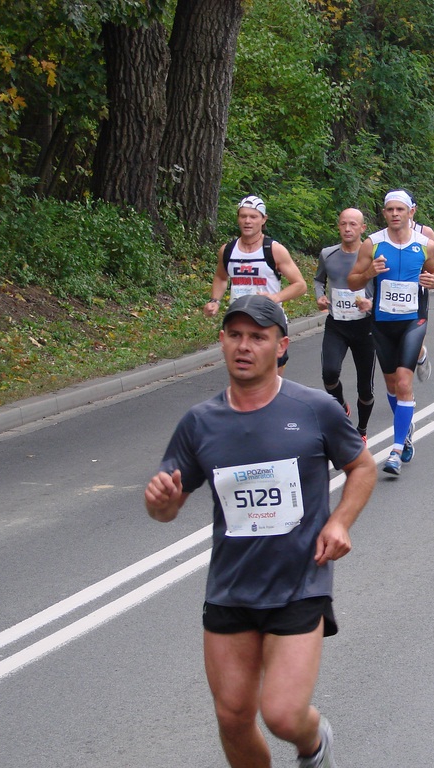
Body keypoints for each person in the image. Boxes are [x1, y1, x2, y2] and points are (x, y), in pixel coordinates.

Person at [144, 294, 376, 768]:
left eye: (257, 337)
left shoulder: (314, 408)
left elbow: (362, 466)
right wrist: (160, 501)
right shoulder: (200, 423)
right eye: (235, 335)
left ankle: (314, 743)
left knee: (284, 715)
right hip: (231, 587)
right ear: (222, 341)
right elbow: (167, 507)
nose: (244, 346)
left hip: (299, 582)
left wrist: (339, 521)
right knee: (232, 717)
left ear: (281, 345)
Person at [348, 190, 434, 475]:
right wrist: (369, 274)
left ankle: (396, 450)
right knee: (391, 385)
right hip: (382, 322)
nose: (395, 214)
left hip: (414, 320)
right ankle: (405, 429)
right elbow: (352, 282)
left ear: (411, 212)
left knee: (403, 381)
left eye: (400, 209)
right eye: (390, 210)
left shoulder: (424, 244)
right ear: (384, 213)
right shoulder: (373, 243)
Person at [205, 195, 308, 371]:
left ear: (263, 219)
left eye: (253, 217)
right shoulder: (227, 250)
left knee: (271, 380)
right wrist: (215, 301)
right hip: (239, 320)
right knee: (243, 376)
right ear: (238, 218)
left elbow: (300, 285)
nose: (247, 221)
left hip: (269, 321)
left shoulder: (273, 250)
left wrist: (275, 298)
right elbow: (221, 277)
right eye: (243, 216)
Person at [314, 208, 377, 442]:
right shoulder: (328, 254)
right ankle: (340, 405)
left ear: (363, 228)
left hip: (364, 326)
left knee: (365, 388)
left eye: (353, 224)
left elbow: (382, 286)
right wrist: (320, 296)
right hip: (337, 324)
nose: (347, 229)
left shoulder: (372, 256)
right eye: (343, 224)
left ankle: (361, 431)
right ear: (338, 226)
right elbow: (318, 280)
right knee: (329, 374)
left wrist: (371, 303)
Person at [406, 194, 434, 383]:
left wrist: (423, 263)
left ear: (413, 210)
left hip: (418, 291)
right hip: (392, 294)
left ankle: (420, 355)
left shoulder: (424, 232)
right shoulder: (385, 235)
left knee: (414, 340)